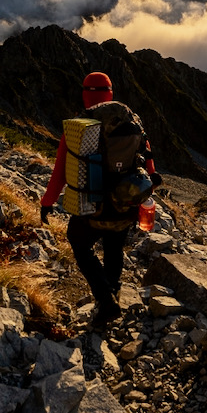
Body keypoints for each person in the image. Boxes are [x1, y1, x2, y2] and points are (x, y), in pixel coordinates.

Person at [40, 71, 160, 325]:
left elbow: (60, 172)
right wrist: (148, 192)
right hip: (127, 202)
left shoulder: (79, 127)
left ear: (85, 94)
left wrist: (47, 203)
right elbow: (147, 159)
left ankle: (105, 300)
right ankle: (112, 294)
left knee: (80, 244)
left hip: (91, 206)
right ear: (110, 93)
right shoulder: (132, 119)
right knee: (114, 248)